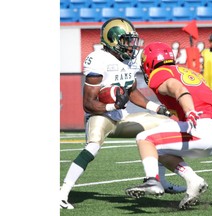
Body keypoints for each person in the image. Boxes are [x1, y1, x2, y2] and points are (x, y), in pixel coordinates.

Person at [60, 18, 183, 209]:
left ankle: (162, 182)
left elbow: (132, 91)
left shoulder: (129, 60)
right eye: (126, 41)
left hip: (121, 117)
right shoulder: (98, 59)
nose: (131, 46)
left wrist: (157, 108)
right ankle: (63, 193)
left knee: (162, 127)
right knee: (92, 148)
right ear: (113, 41)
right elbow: (88, 104)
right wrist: (113, 106)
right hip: (100, 116)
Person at [125, 42, 212, 209]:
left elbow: (177, 88)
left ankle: (152, 181)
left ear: (149, 63)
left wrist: (189, 111)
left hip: (199, 127)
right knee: (158, 149)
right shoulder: (193, 75)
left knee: (144, 139)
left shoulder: (160, 73)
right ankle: (193, 181)